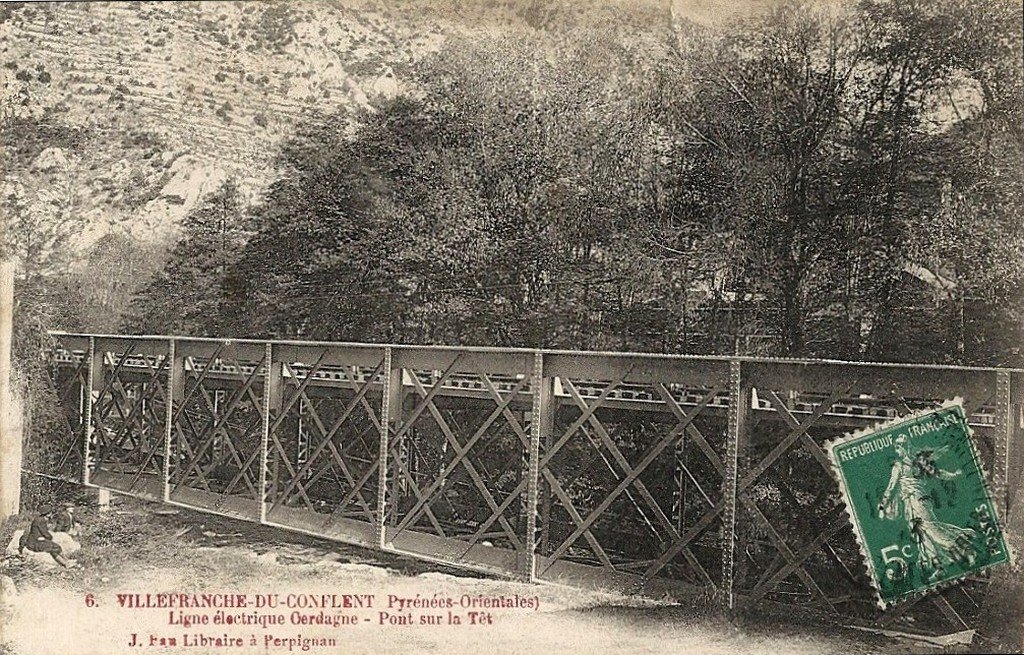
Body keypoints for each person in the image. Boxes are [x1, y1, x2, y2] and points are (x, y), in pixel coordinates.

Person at [877, 435, 975, 581]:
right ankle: (939, 567)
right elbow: (938, 473)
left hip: (916, 501)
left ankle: (966, 548)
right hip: (916, 502)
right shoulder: (919, 463)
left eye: (898, 447)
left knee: (931, 530)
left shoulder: (899, 466)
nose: (897, 451)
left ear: (903, 447)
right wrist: (954, 475)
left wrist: (882, 505)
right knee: (922, 536)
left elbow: (891, 487)